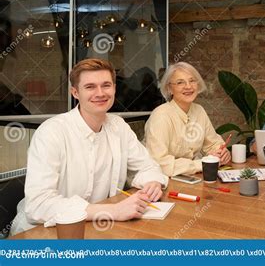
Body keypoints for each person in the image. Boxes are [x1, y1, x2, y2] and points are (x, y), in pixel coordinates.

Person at [10, 59, 168, 236]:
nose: (100, 93)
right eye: (90, 87)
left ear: (114, 88)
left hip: (100, 228)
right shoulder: (51, 132)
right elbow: (38, 204)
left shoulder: (119, 126)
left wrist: (152, 182)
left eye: (106, 85)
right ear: (75, 92)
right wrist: (113, 211)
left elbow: (147, 166)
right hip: (45, 233)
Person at [144, 62, 231, 177]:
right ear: (169, 88)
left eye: (192, 81)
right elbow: (160, 163)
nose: (188, 86)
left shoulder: (199, 111)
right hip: (159, 181)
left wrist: (222, 153)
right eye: (180, 82)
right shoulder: (161, 116)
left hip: (189, 178)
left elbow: (213, 144)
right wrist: (200, 164)